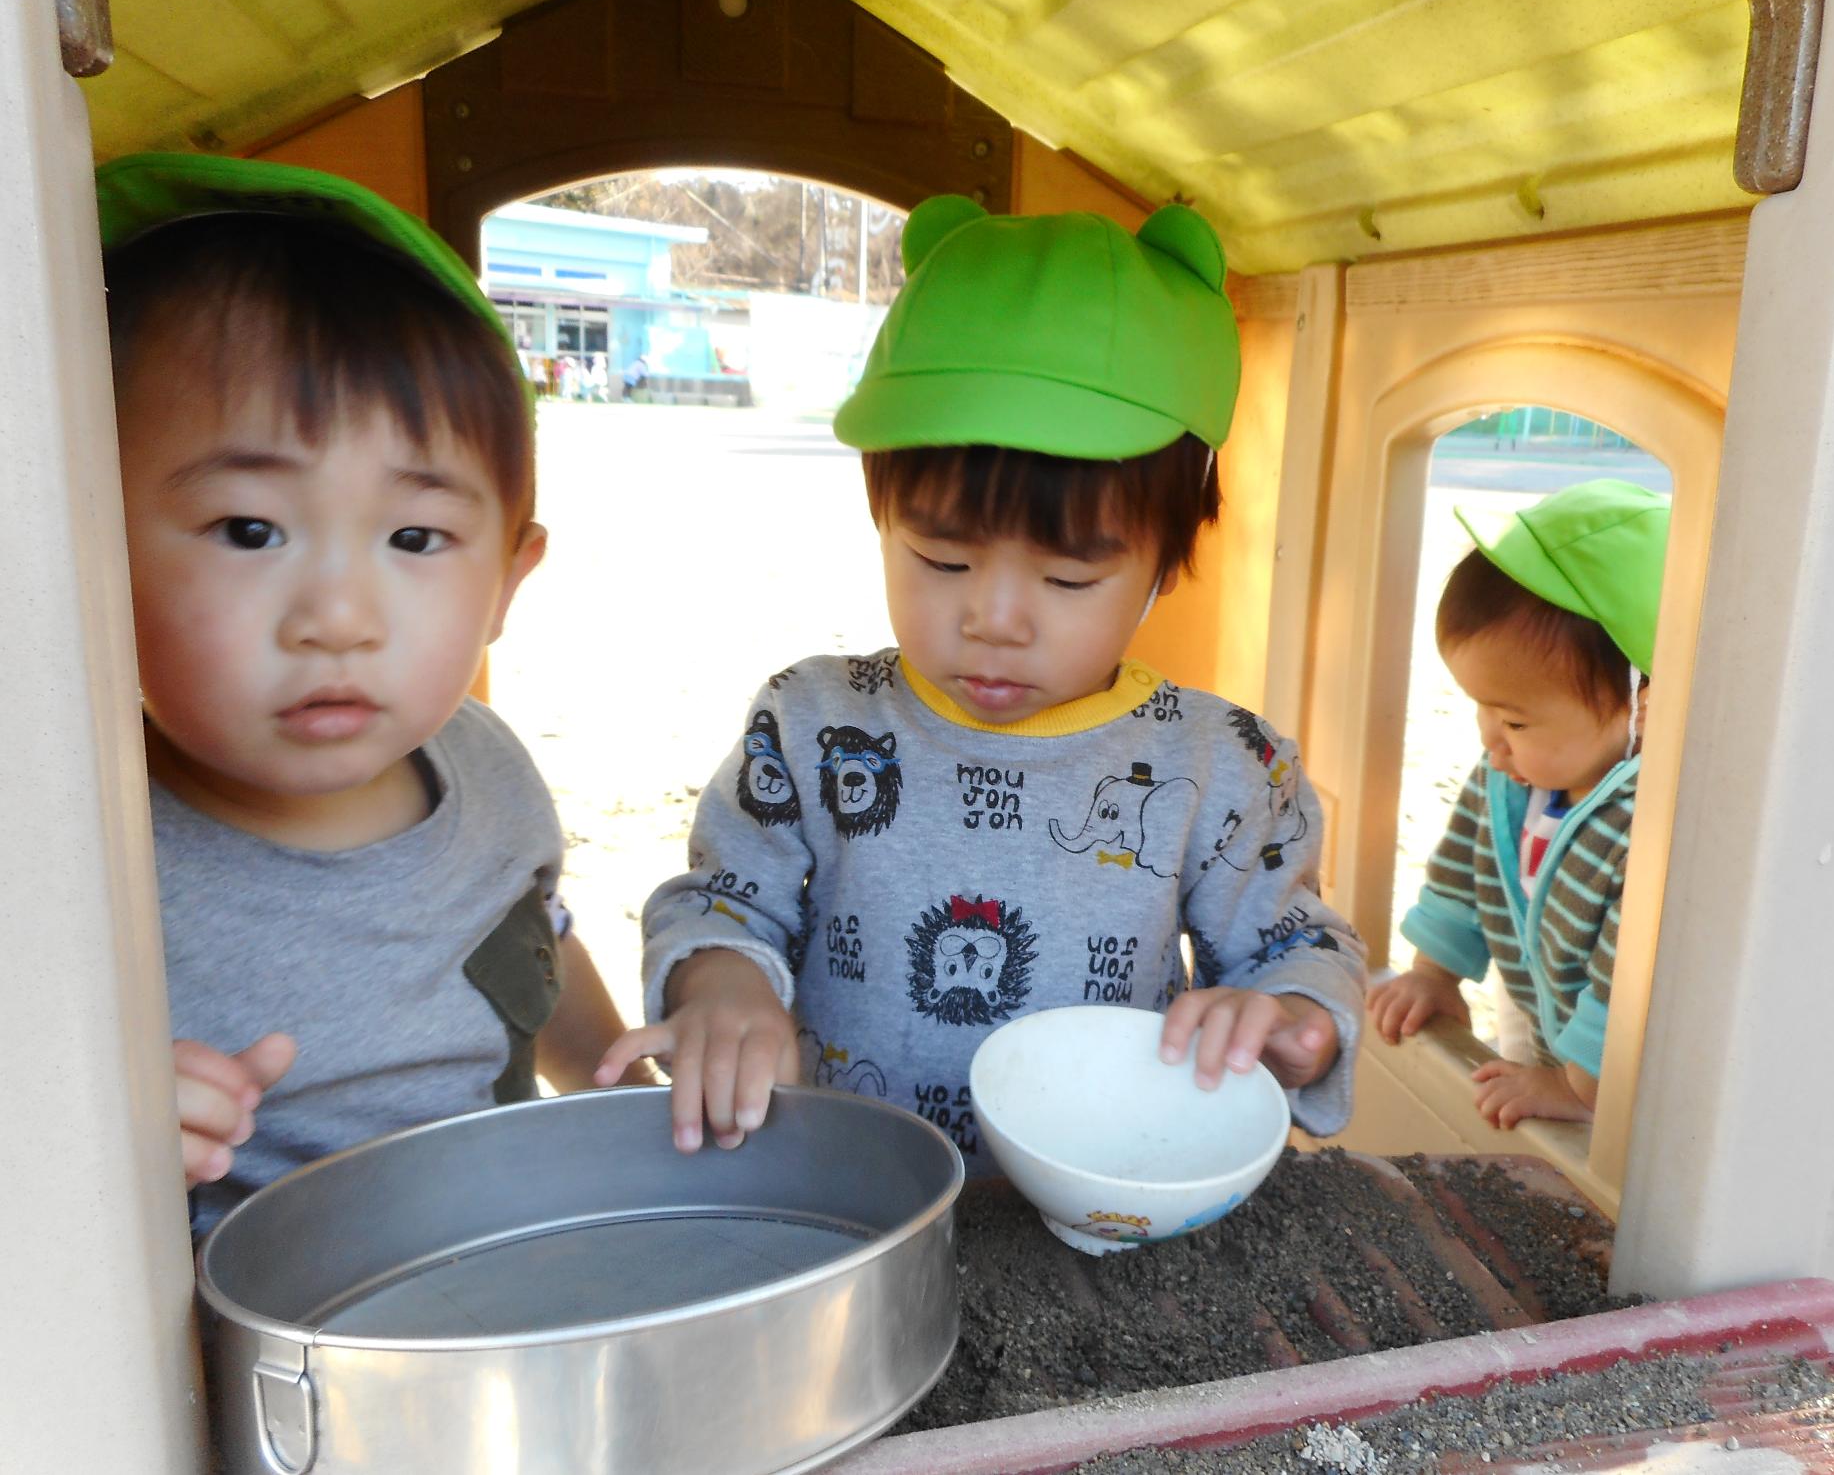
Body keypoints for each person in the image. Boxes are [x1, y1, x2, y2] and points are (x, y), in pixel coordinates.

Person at [598, 195, 1367, 1163]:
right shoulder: (813, 723)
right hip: (847, 1179)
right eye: (941, 560)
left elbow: (1292, 946)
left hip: (1106, 1189)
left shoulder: (1220, 764)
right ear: (882, 517)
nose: (993, 620)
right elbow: (725, 899)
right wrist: (720, 987)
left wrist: (1296, 1020)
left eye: (1067, 577)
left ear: (1163, 566)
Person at [96, 154, 636, 1236]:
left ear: (504, 586)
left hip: (508, 1298)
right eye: (250, 529)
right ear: (87, 550)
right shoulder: (79, 861)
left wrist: (612, 1087)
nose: (338, 615)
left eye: (414, 538)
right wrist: (82, 1135)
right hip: (243, 1370)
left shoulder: (488, 767)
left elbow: (531, 939)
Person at [1364, 480, 1669, 1128]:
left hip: (1611, 1072)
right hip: (1536, 1000)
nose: (1490, 739)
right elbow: (1460, 869)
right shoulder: (1510, 775)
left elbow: (1626, 977)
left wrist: (1578, 1087)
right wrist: (1434, 972)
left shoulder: (1647, 823)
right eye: (1483, 708)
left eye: (1516, 720)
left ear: (1643, 704)